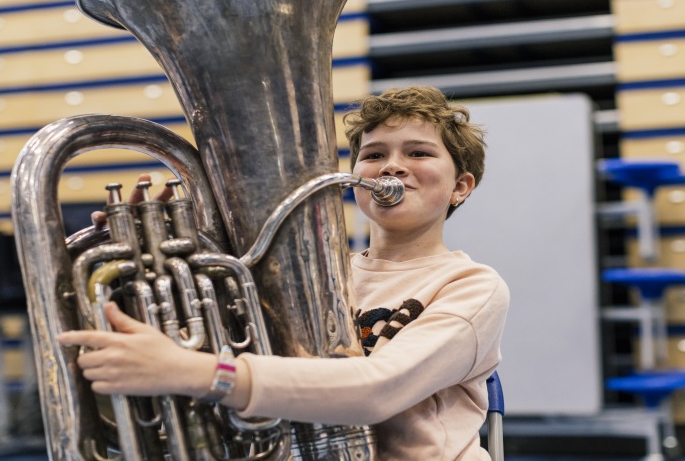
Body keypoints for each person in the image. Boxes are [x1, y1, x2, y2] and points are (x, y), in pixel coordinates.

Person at [58, 85, 511, 460]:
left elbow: (378, 391)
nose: (391, 165)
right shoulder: (315, 276)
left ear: (460, 187)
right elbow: (197, 339)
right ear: (355, 177)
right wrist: (137, 270)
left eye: (418, 152)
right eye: (373, 155)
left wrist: (195, 372)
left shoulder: (471, 285)